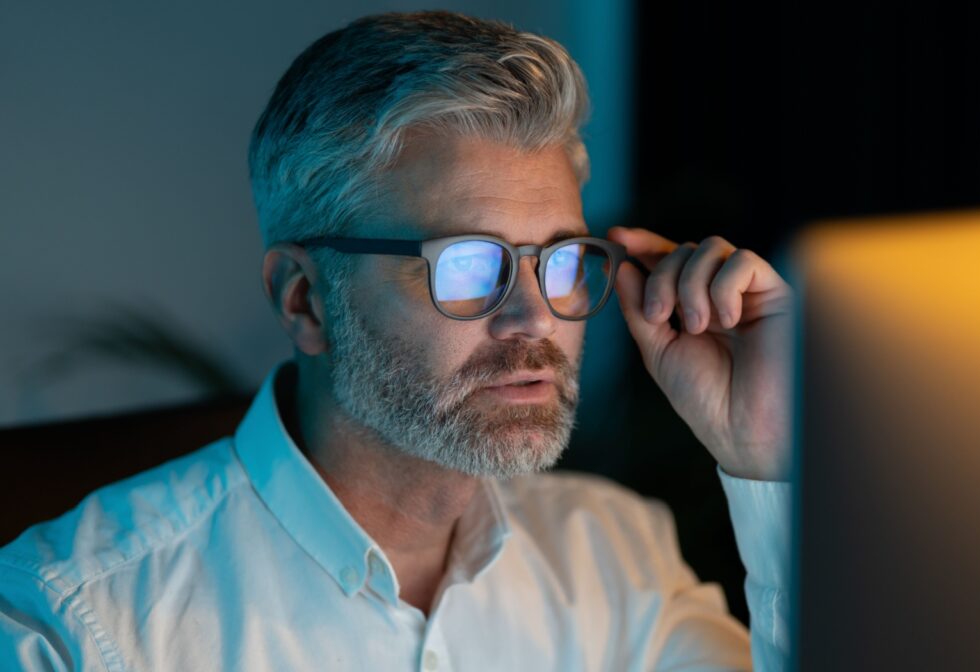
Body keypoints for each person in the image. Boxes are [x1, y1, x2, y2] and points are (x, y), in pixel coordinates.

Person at [0, 10, 793, 671]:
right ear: (305, 299)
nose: (535, 319)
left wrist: (772, 454)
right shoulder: (73, 623)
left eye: (560, 260)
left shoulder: (613, 555)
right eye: (466, 266)